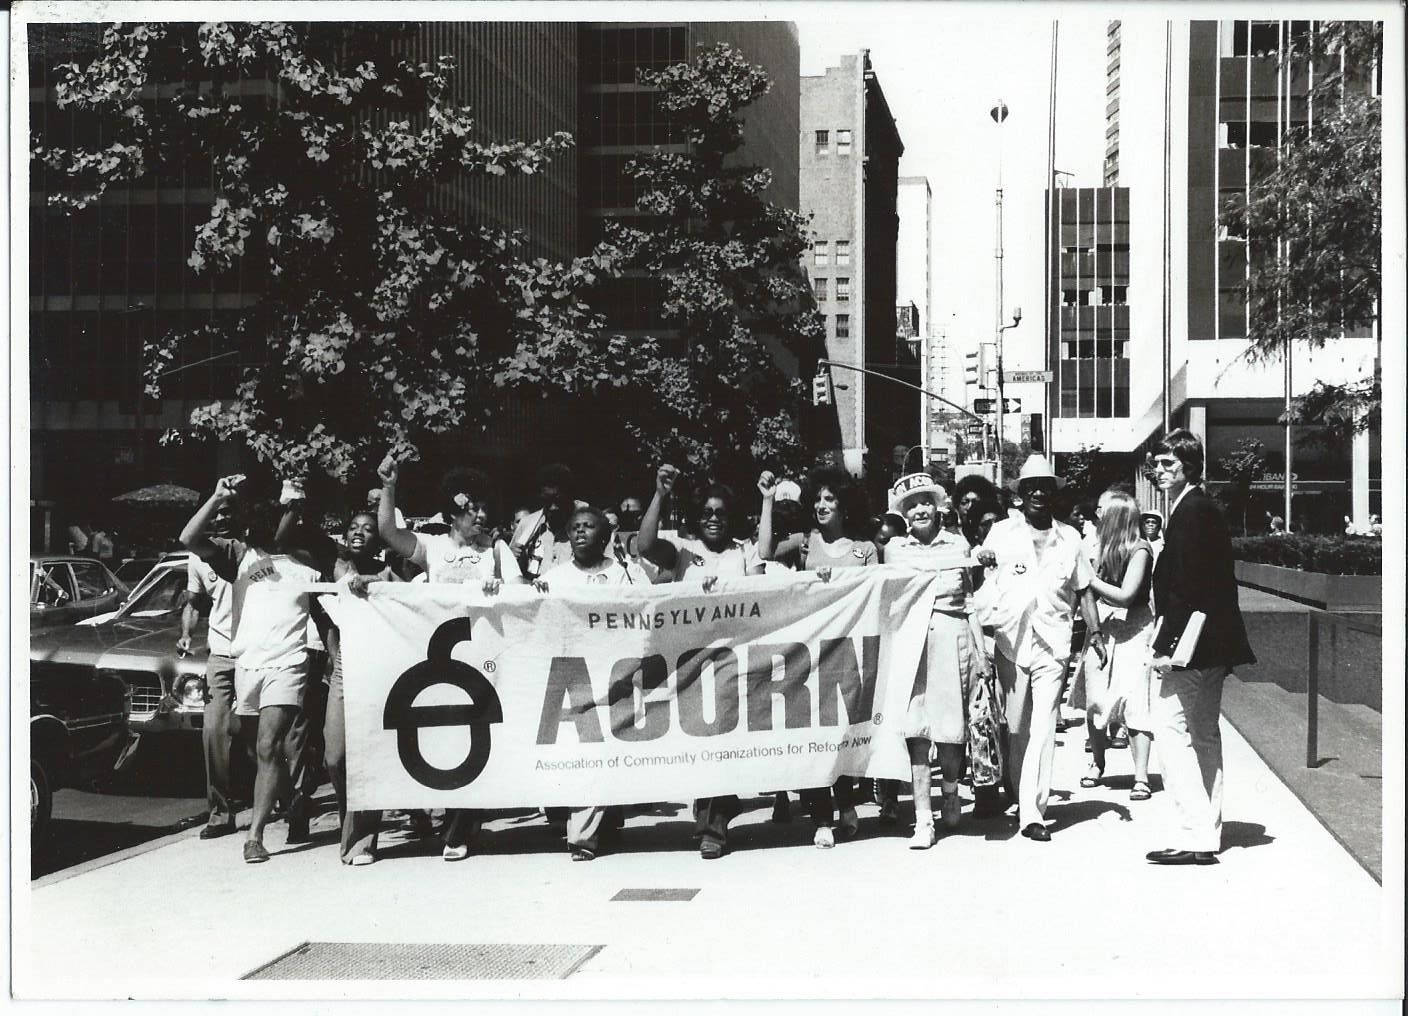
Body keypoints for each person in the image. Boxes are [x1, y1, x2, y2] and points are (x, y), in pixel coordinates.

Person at [377, 455, 525, 861]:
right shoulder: (433, 546)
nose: (480, 514)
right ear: (453, 514)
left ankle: (460, 829)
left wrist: (501, 590)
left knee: (474, 736)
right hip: (438, 662)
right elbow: (389, 532)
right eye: (471, 508)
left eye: (483, 508)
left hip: (482, 658)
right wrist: (389, 487)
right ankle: (448, 819)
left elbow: (520, 596)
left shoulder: (497, 551)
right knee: (442, 737)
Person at [180, 475, 329, 864]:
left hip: (289, 663)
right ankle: (294, 798)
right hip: (247, 663)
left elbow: (327, 617)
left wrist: (329, 658)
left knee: (268, 745)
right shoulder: (241, 558)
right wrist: (216, 497)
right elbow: (188, 540)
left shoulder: (308, 565)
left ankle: (256, 836)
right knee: (254, 749)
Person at [975, 455, 1106, 843]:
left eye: (1045, 488)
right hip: (1011, 640)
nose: (1037, 493)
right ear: (1020, 495)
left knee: (1044, 723)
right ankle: (1019, 793)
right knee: (1016, 727)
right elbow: (979, 576)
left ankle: (1034, 812)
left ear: (1053, 495)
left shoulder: (1071, 537)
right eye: (1031, 487)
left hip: (1054, 640)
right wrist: (982, 561)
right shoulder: (1001, 532)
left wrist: (1095, 633)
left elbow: (1083, 589)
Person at [638, 464, 763, 859]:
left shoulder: (742, 552)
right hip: (687, 661)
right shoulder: (683, 552)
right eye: (706, 513)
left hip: (730, 658)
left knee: (720, 739)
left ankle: (713, 824)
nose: (713, 519)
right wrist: (660, 494)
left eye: (720, 513)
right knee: (701, 741)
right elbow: (644, 547)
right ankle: (716, 812)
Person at [1145, 429, 1255, 865]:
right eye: (1156, 464)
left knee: (1171, 730)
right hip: (1215, 644)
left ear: (1189, 466)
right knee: (1204, 733)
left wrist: (1164, 647)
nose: (1158, 471)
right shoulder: (1201, 507)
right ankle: (1206, 833)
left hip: (1189, 647)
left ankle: (1192, 833)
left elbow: (1184, 587)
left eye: (1168, 464)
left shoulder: (1189, 511)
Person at [758, 467, 878, 848]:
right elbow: (764, 553)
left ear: (844, 505)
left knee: (841, 736)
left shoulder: (866, 549)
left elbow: (877, 595)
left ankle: (846, 805)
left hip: (849, 655)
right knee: (815, 737)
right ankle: (822, 818)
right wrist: (766, 500)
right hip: (811, 656)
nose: (821, 506)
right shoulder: (805, 542)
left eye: (830, 499)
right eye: (818, 500)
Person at [534, 506, 643, 860]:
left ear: (606, 535)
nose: (581, 532)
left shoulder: (628, 573)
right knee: (587, 753)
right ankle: (581, 836)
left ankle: (604, 821)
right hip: (576, 678)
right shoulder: (556, 576)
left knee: (611, 752)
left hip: (618, 675)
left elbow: (655, 607)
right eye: (575, 527)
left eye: (589, 526)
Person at [884, 473, 985, 849]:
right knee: (916, 731)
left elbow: (970, 602)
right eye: (911, 505)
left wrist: (980, 653)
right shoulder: (895, 550)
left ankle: (952, 790)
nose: (919, 509)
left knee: (950, 732)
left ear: (937, 505)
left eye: (924, 501)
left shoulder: (958, 544)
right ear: (904, 513)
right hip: (911, 646)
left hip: (952, 640)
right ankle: (923, 819)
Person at [323, 511, 402, 865]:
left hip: (376, 668)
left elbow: (404, 594)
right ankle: (350, 825)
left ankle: (363, 840)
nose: (360, 533)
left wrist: (378, 582)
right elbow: (337, 594)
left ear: (379, 540)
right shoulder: (336, 565)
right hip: (344, 666)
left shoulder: (389, 573)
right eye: (353, 527)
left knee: (367, 755)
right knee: (335, 757)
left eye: (369, 530)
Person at [1080, 489, 1157, 802]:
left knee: (1136, 704)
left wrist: (1086, 577)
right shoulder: (1095, 547)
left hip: (1136, 630)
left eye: (1102, 511)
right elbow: (1083, 597)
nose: (1097, 515)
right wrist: (1093, 628)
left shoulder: (1141, 549)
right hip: (1104, 629)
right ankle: (1097, 763)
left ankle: (1141, 777)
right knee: (1096, 702)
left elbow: (1126, 595)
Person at [179, 495, 248, 840]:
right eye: (216, 515)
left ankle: (287, 800)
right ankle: (221, 812)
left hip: (257, 653)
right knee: (214, 731)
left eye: (227, 513)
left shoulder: (252, 551)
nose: (221, 519)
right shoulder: (198, 557)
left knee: (265, 732)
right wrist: (186, 634)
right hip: (220, 653)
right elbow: (193, 604)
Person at [510, 463, 576, 579]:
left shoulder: (586, 526)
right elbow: (510, 574)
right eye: (547, 501)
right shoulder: (526, 525)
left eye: (559, 501)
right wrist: (514, 559)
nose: (553, 507)